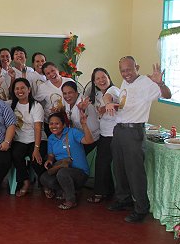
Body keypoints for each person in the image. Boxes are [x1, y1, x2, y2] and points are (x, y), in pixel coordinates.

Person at [107, 57, 171, 223]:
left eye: (129, 69)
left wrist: (160, 84)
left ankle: (141, 208)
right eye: (122, 70)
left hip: (133, 131)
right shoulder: (125, 83)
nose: (126, 73)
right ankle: (123, 199)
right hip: (119, 130)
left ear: (137, 67)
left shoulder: (146, 82)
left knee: (135, 171)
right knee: (119, 169)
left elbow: (167, 95)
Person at [41, 111, 93, 210]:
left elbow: (89, 141)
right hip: (62, 168)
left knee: (62, 173)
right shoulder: (51, 138)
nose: (53, 126)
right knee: (44, 178)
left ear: (63, 124)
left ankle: (71, 200)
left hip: (80, 173)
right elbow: (51, 154)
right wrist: (49, 160)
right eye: (51, 124)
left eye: (57, 123)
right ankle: (67, 191)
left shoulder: (73, 132)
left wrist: (84, 125)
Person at [86, 67, 120, 203]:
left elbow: (112, 101)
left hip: (114, 133)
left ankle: (100, 192)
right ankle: (108, 191)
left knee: (102, 163)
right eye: (97, 78)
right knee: (103, 163)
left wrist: (106, 106)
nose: (101, 80)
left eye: (103, 77)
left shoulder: (113, 90)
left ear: (109, 78)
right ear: (94, 82)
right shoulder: (97, 94)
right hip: (103, 133)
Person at [9, 78, 47, 197]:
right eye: (17, 88)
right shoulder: (10, 104)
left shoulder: (36, 106)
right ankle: (25, 182)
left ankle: (45, 183)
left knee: (36, 159)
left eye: (22, 88)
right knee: (16, 155)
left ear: (29, 90)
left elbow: (37, 128)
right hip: (19, 139)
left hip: (37, 139)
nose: (20, 91)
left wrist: (36, 148)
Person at [34, 62, 74, 134]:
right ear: (45, 76)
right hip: (52, 123)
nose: (51, 74)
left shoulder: (69, 81)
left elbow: (76, 98)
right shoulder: (43, 87)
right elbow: (37, 101)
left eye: (53, 71)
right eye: (48, 73)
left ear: (57, 69)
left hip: (69, 121)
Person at [61, 81, 100, 154]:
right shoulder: (67, 102)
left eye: (70, 92)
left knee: (74, 156)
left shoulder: (83, 102)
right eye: (64, 93)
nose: (67, 96)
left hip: (92, 137)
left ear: (76, 92)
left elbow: (84, 111)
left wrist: (82, 109)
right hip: (79, 136)